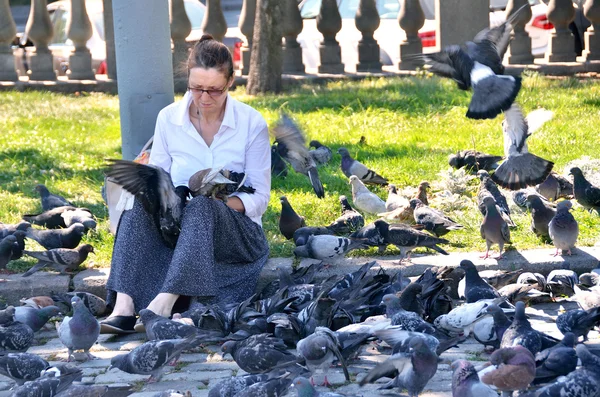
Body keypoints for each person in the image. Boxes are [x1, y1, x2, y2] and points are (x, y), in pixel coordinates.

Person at [100, 34, 271, 334]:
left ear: (230, 82)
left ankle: (164, 303)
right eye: (196, 88)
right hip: (181, 226)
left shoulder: (251, 123)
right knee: (140, 200)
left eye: (214, 90)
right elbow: (158, 177)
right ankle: (124, 306)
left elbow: (259, 197)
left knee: (202, 207)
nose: (204, 98)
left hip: (236, 233)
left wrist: (220, 204)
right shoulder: (168, 118)